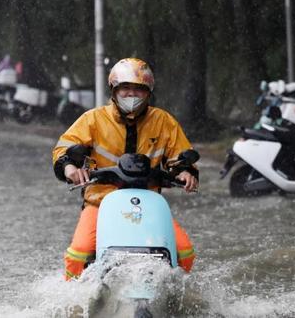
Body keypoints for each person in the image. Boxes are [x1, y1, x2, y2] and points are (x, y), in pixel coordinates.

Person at [52, 58, 199, 281]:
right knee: (78, 254)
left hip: (149, 204)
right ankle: (75, 305)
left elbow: (180, 154)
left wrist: (185, 171)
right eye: (126, 89)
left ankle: (174, 294)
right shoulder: (93, 119)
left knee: (185, 251)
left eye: (138, 90)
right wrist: (70, 166)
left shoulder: (163, 121)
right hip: (100, 203)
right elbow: (63, 147)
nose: (131, 95)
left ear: (148, 93)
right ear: (114, 91)